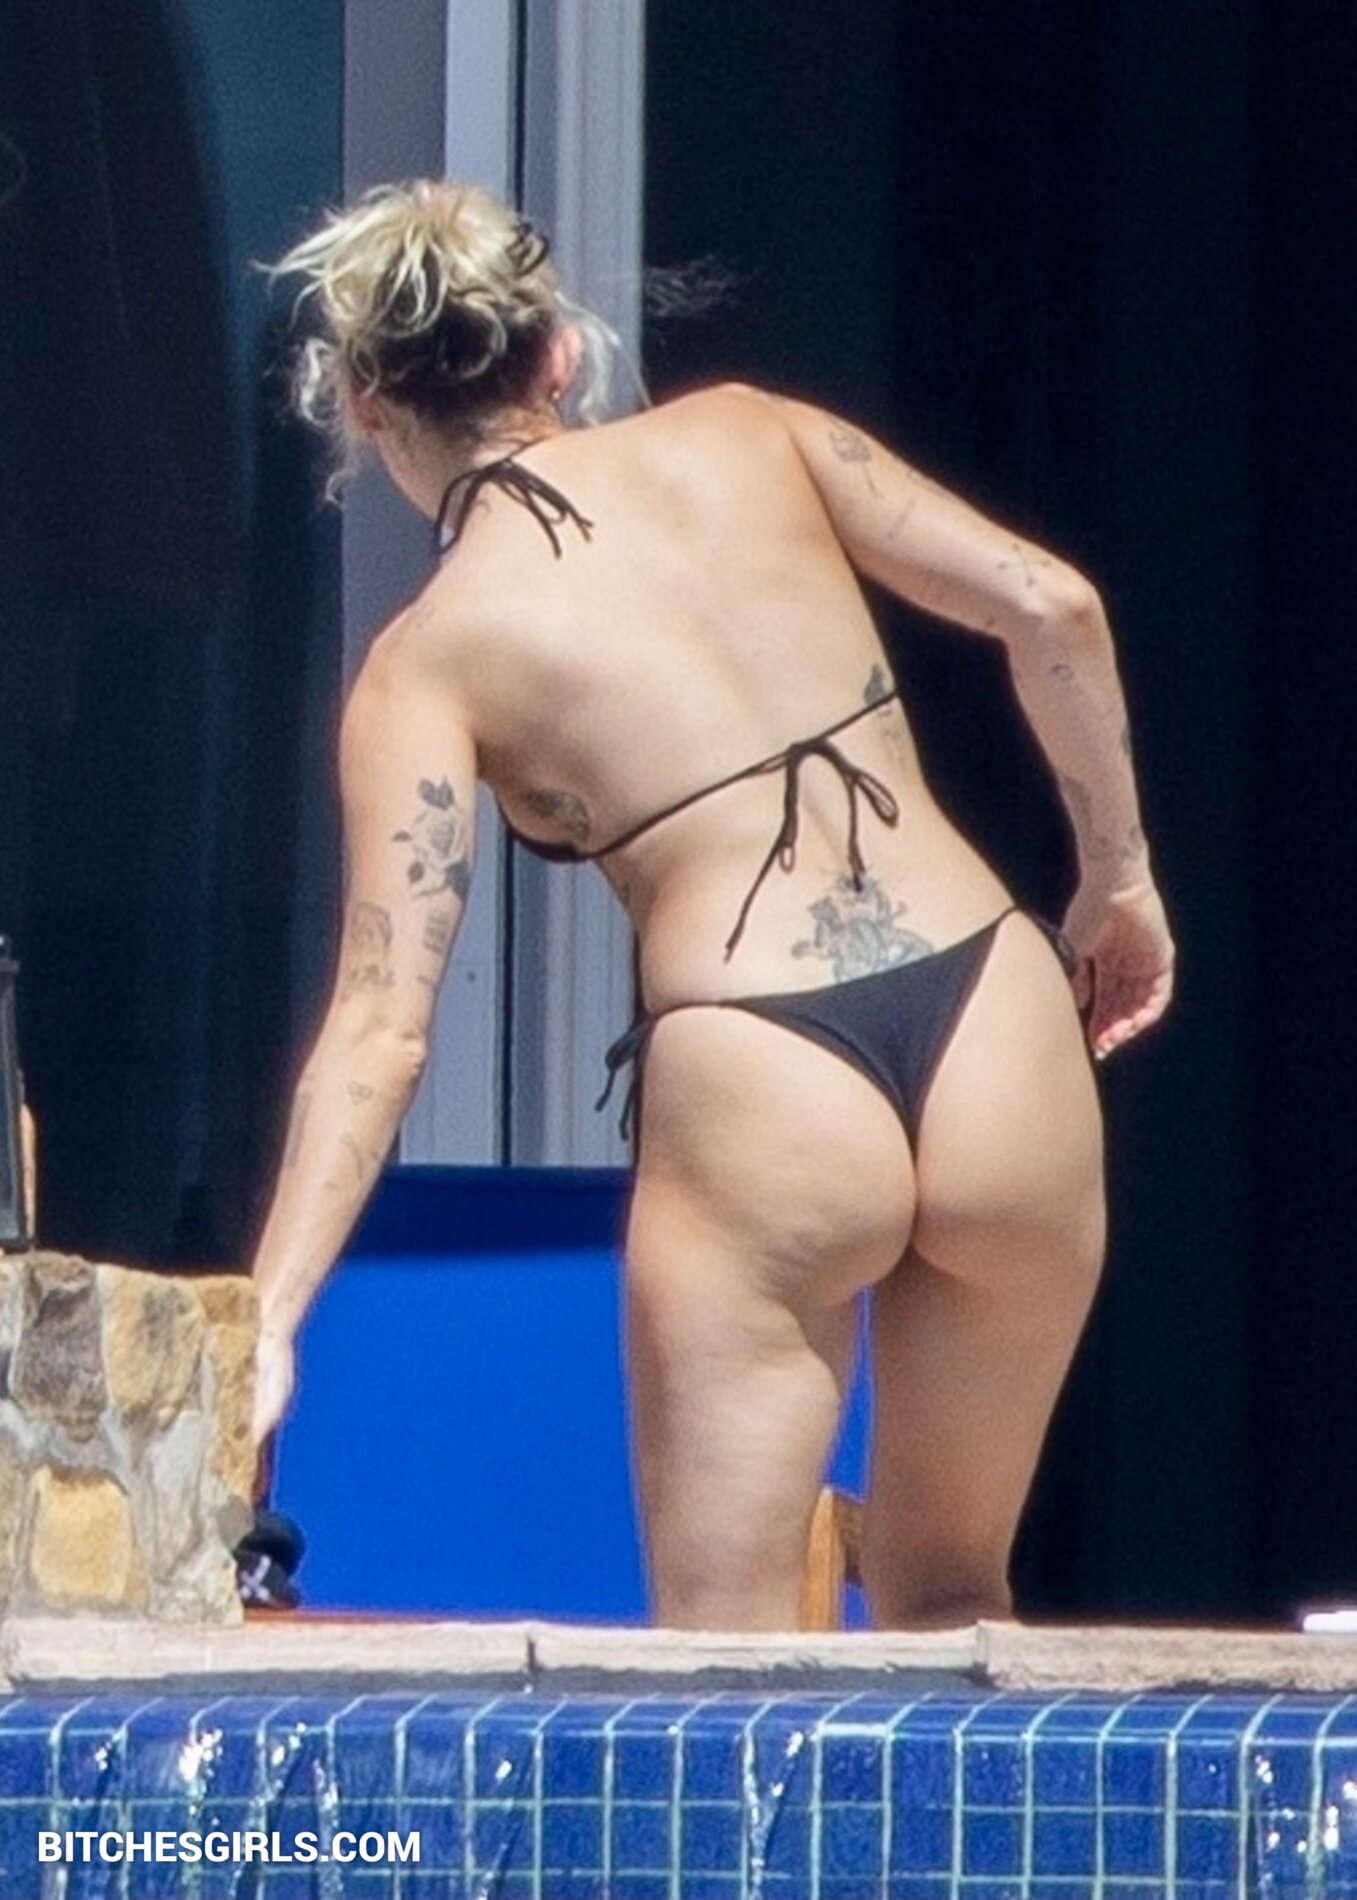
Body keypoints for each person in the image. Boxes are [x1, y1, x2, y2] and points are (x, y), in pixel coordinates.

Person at [249, 179, 1174, 1630]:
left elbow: (382, 1024)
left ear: (366, 407)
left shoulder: (430, 657)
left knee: (718, 1683)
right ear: (559, 355)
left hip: (762, 1065)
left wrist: (269, 1319)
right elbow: (1050, 606)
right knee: (953, 1609)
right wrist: (1117, 881)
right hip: (992, 1009)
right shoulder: (752, 431)